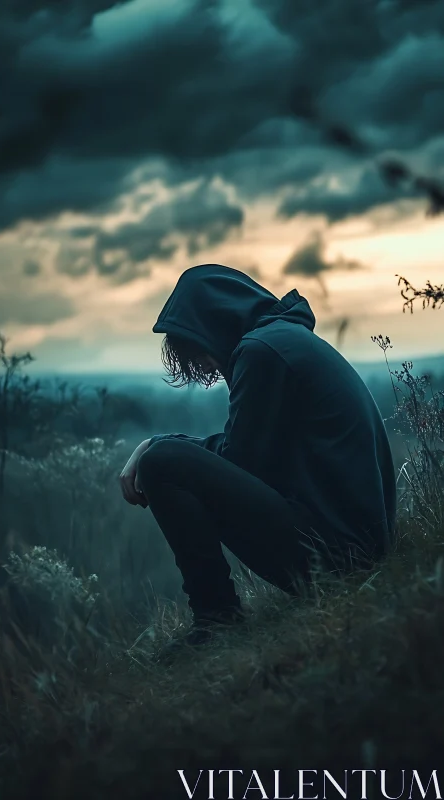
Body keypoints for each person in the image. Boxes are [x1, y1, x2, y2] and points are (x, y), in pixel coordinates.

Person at [119, 264, 397, 650]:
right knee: (165, 454)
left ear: (212, 323)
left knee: (161, 463)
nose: (205, 367)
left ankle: (217, 619)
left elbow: (240, 462)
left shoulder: (261, 351)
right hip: (358, 548)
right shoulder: (284, 340)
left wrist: (156, 445)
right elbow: (252, 460)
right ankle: (217, 618)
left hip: (338, 559)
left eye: (197, 352)